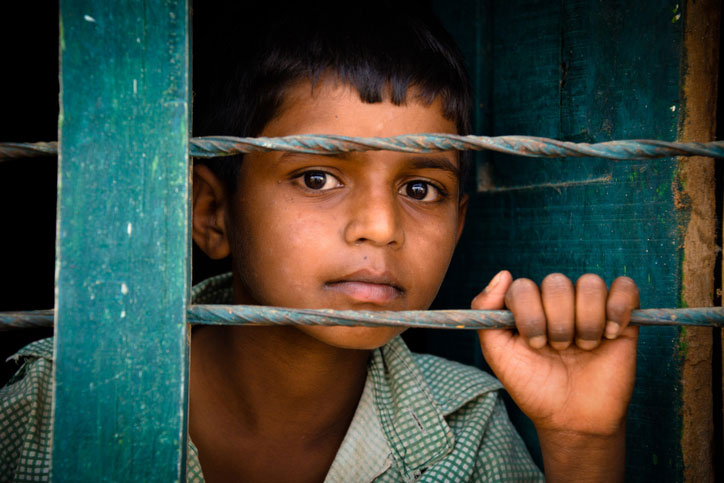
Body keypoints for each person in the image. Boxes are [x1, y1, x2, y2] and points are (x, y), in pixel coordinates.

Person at [1, 3, 640, 482]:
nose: (382, 226)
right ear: (212, 213)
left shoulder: (466, 429)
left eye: (421, 190)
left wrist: (581, 440)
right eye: (316, 176)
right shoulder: (55, 406)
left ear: (460, 221)